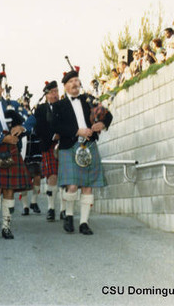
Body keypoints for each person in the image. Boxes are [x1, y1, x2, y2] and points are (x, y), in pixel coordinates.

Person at [52, 66, 113, 235]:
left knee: (88, 186)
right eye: (70, 82)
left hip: (89, 146)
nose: (74, 84)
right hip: (69, 146)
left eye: (76, 81)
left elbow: (107, 115)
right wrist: (77, 131)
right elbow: (55, 126)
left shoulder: (89, 100)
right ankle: (69, 215)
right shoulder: (59, 105)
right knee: (72, 186)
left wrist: (103, 124)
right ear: (65, 86)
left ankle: (84, 222)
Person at [0, 73, 36, 240]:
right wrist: (3, 138)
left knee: (9, 189)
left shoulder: (14, 105)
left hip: (11, 150)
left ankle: (6, 226)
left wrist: (22, 128)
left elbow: (31, 118)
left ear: (2, 90)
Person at [34, 81, 63, 221]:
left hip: (65, 144)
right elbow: (38, 128)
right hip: (49, 145)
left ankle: (64, 209)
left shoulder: (64, 106)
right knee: (52, 176)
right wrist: (52, 136)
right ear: (46, 95)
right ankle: (51, 208)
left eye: (57, 91)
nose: (55, 94)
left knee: (66, 177)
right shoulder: (40, 109)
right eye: (52, 92)